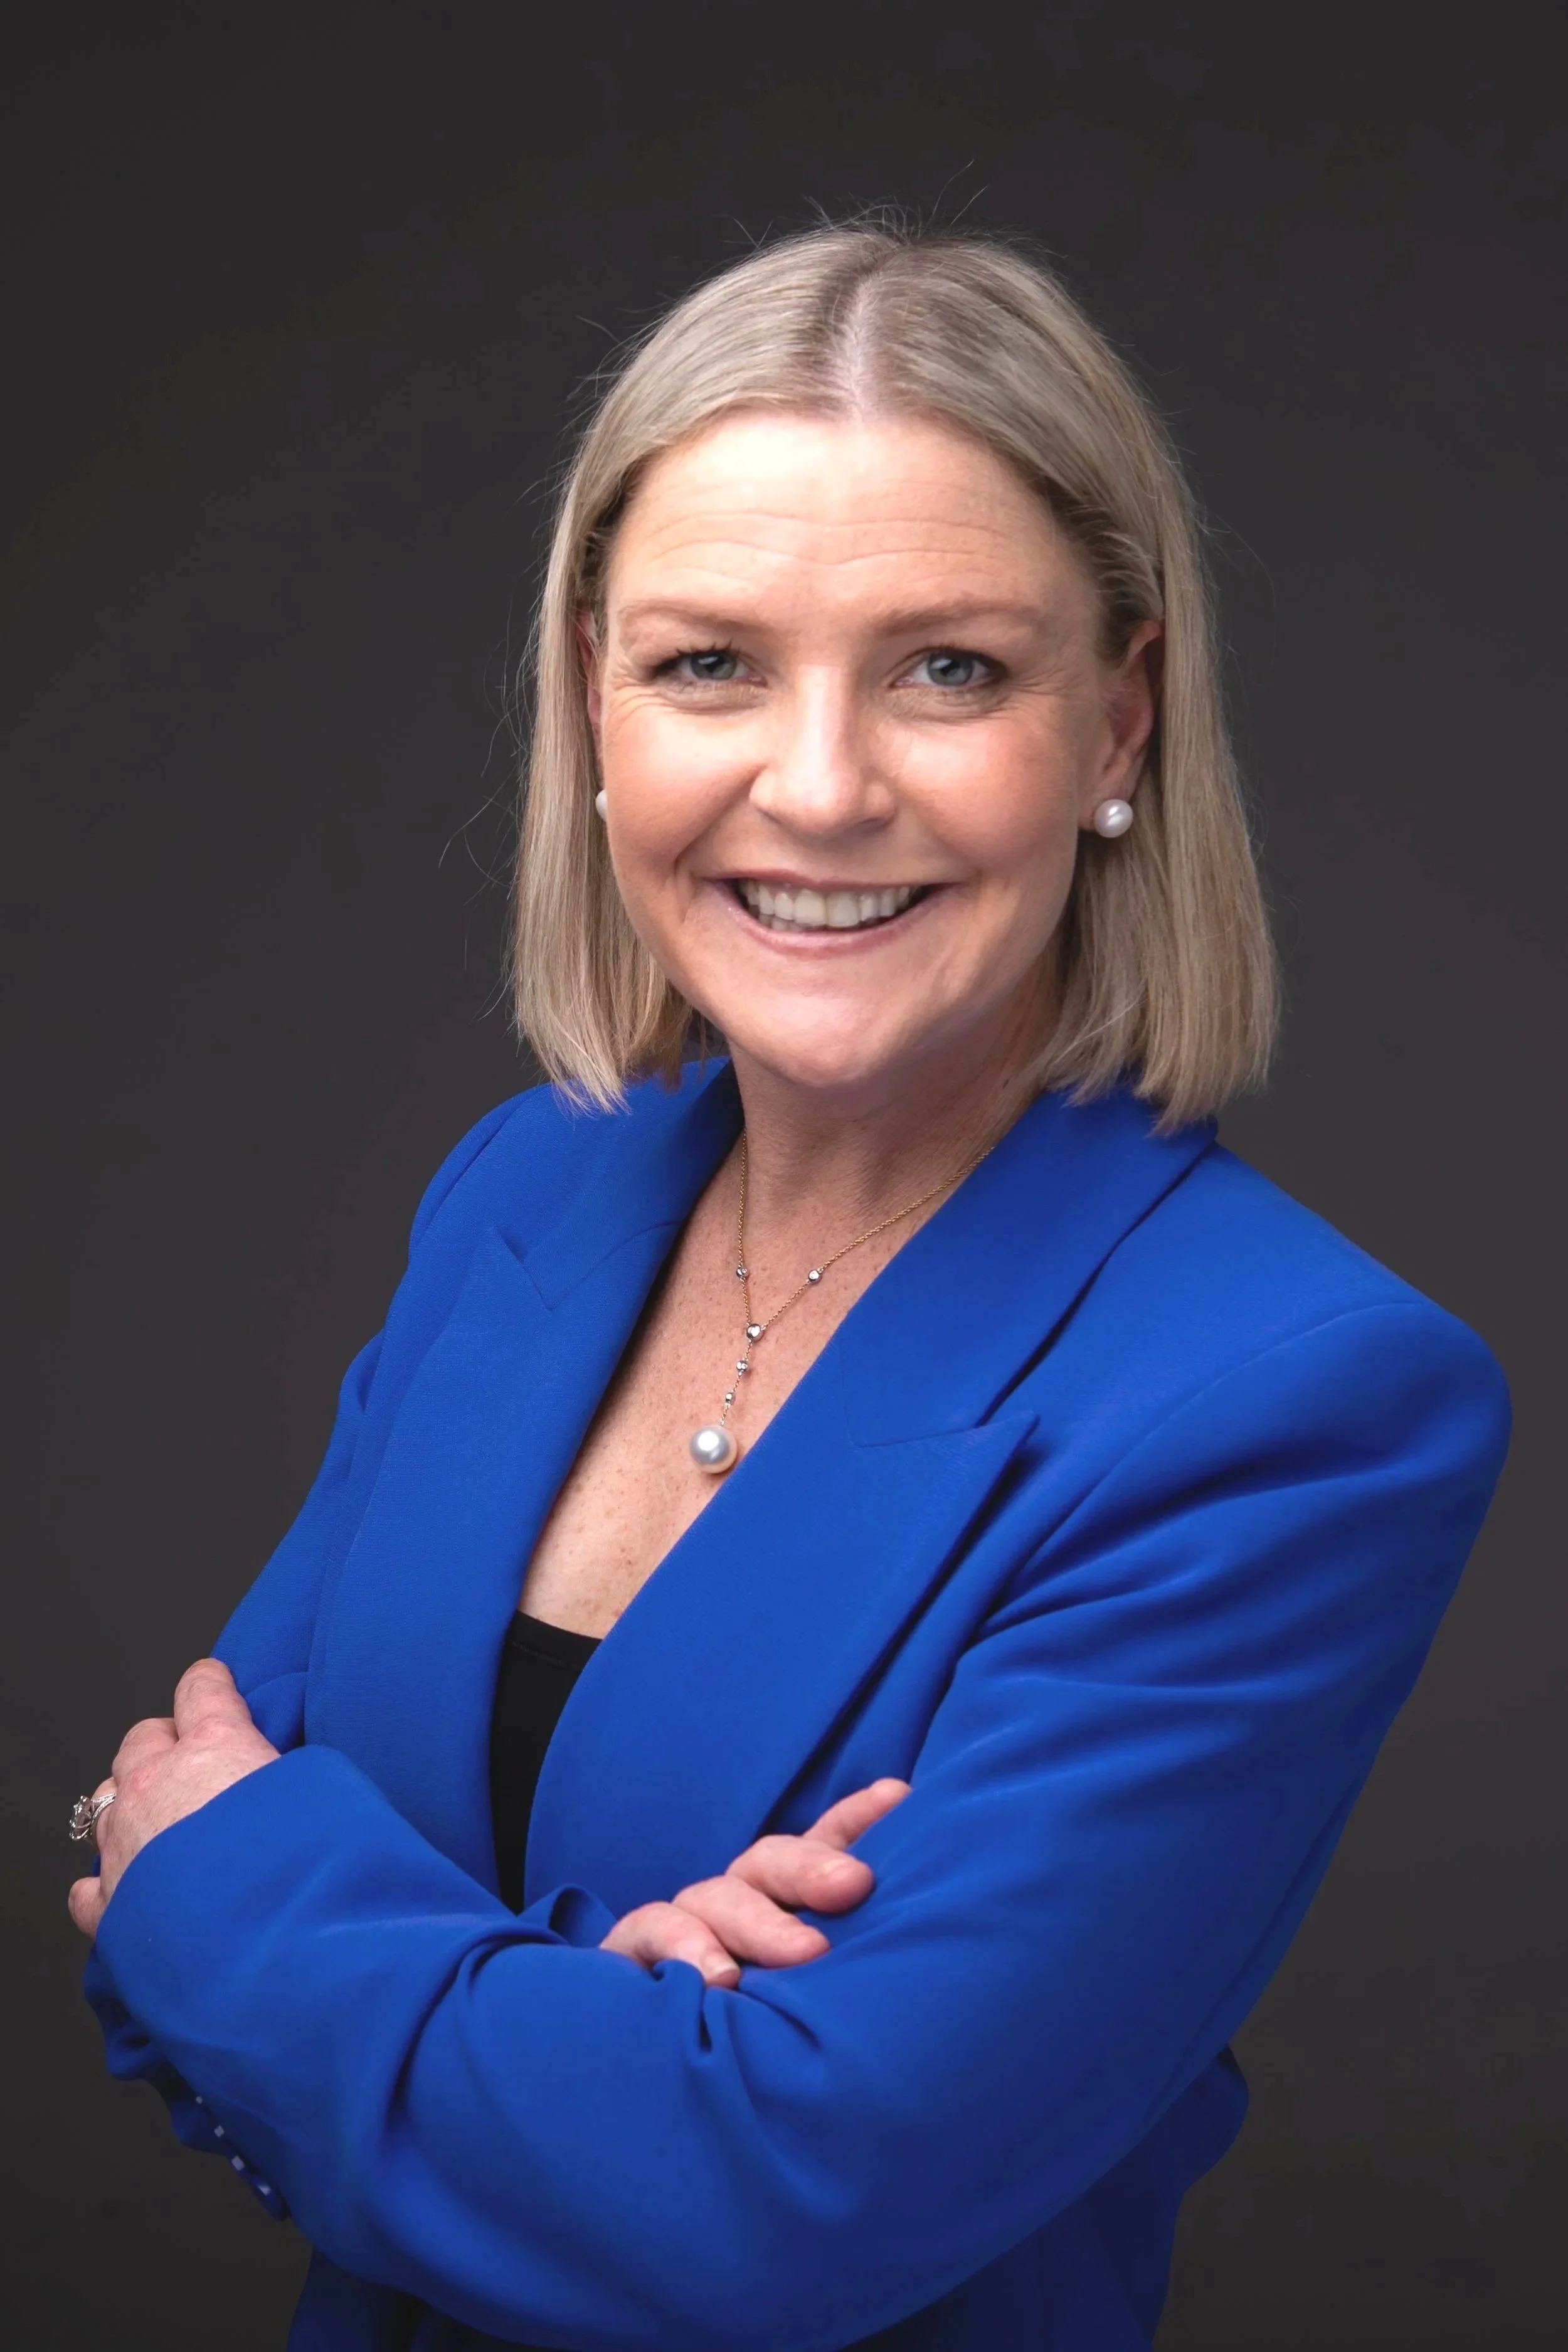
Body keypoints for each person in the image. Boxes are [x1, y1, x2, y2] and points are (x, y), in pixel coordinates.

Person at [70, 221, 1510, 2352]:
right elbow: (151, 1862)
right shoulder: (525, 1189)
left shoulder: (1293, 1400)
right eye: (709, 664)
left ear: (1115, 723)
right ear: (594, 703)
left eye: (948, 670)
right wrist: (606, 2015)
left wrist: (298, 1940)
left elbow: (768, 2202)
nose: (819, 785)